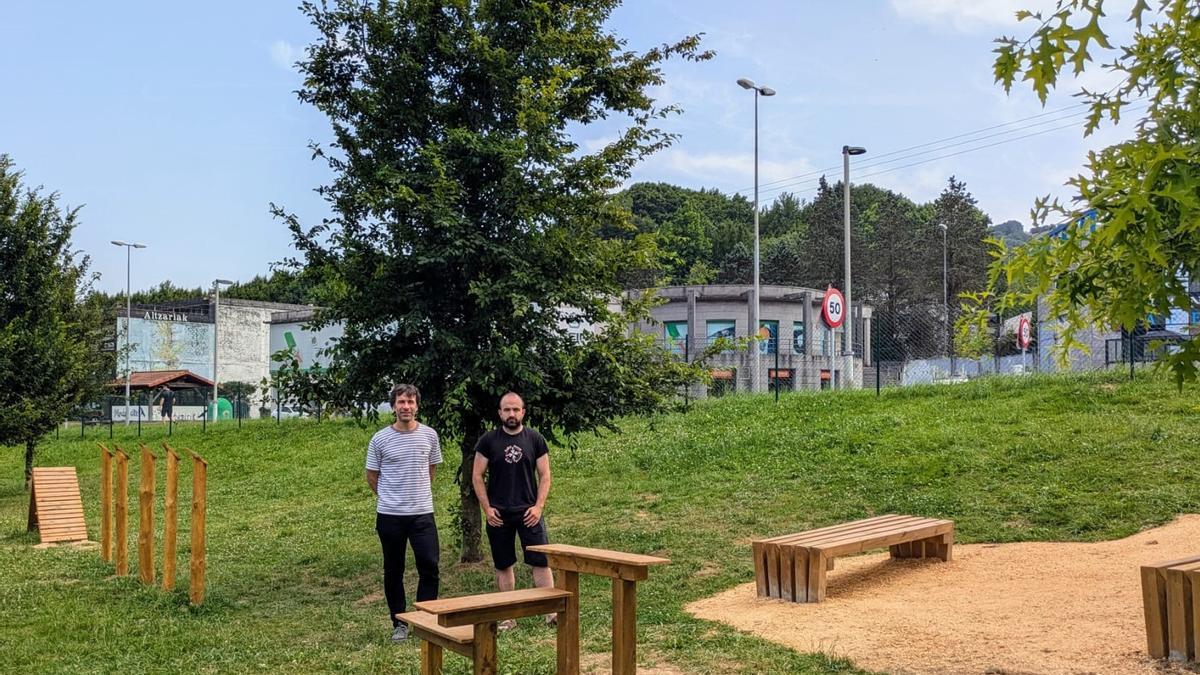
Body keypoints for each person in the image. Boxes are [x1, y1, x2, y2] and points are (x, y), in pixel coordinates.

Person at [365, 383, 443, 643]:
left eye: (410, 402)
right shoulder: (380, 439)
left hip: (422, 514)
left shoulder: (430, 435)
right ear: (393, 406)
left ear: (417, 405)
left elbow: (431, 470)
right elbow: (372, 476)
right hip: (390, 516)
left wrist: (415, 495)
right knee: (393, 570)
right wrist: (392, 498)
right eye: (401, 402)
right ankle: (398, 622)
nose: (406, 407)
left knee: (429, 566)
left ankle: (425, 619)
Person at [472, 391, 554, 630]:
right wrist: (487, 509)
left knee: (541, 562)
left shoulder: (535, 439)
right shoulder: (488, 441)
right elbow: (477, 476)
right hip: (499, 515)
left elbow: (545, 475)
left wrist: (538, 507)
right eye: (507, 409)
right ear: (500, 413)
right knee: (504, 565)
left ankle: (551, 613)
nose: (511, 414)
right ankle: (509, 617)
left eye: (516, 409)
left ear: (523, 412)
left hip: (530, 513)